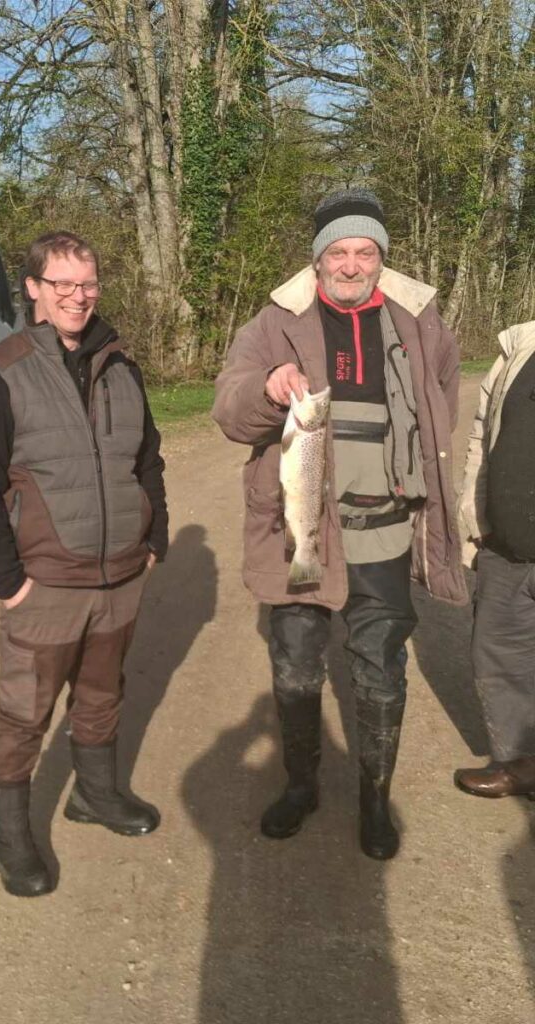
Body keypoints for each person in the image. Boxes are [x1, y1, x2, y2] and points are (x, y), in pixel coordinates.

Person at [212, 188, 466, 860]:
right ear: (317, 258)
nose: (351, 265)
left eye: (364, 251)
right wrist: (267, 387)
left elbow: (443, 409)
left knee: (379, 670)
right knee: (296, 668)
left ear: (380, 258)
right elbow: (229, 409)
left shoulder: (422, 321)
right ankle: (301, 787)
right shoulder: (277, 321)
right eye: (338, 252)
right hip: (299, 533)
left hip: (383, 529)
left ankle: (375, 796)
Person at [0, 231, 168, 897]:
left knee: (104, 695)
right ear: (34, 290)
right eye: (64, 285)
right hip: (45, 584)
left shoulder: (121, 364)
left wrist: (154, 535)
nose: (79, 297)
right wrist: (8, 582)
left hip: (120, 578)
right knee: (23, 714)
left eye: (88, 283)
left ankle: (95, 795)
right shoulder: (0, 373)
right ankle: (8, 837)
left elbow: (147, 458)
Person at [454, 320, 535, 799]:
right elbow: (481, 440)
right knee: (500, 657)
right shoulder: (518, 347)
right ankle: (521, 762)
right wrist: (476, 517)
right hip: (506, 546)